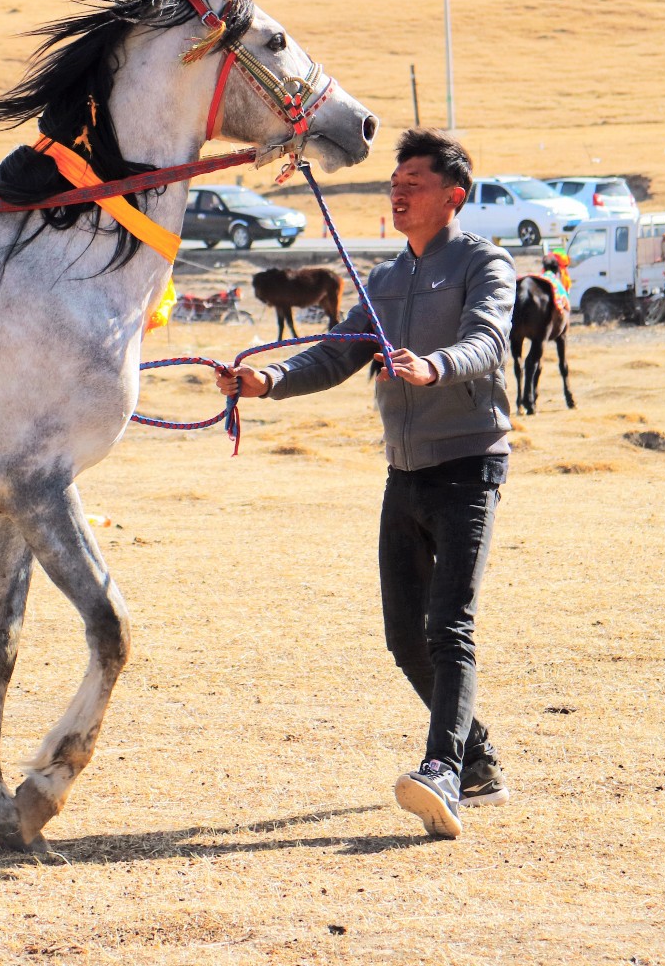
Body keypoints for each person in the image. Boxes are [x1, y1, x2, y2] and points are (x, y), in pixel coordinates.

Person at [215, 128, 515, 839]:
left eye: (414, 181)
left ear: (453, 197)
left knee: (449, 626)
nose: (398, 190)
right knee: (402, 637)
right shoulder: (382, 281)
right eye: (395, 180)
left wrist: (432, 367)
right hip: (404, 469)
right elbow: (335, 355)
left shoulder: (484, 263)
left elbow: (488, 341)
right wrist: (266, 382)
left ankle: (440, 770)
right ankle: (476, 759)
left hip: (468, 463)